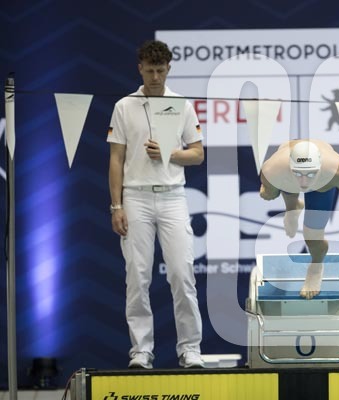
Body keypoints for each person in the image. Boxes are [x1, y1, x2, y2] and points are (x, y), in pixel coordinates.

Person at [107, 40, 205, 369]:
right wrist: (116, 206)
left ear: (168, 69)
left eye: (160, 71)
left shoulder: (182, 105)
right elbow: (116, 159)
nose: (155, 77)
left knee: (182, 273)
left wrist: (169, 153)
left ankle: (190, 349)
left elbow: (197, 154)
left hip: (173, 196)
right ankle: (141, 351)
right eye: (149, 71)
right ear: (140, 69)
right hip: (135, 197)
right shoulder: (124, 106)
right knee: (137, 277)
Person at [259, 139, 339, 299]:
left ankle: (316, 267)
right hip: (286, 177)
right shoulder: (273, 170)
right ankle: (293, 208)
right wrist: (267, 192)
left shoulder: (338, 170)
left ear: (320, 167)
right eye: (298, 173)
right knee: (288, 187)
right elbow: (270, 194)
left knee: (313, 237)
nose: (304, 181)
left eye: (311, 174)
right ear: (290, 166)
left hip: (322, 186)